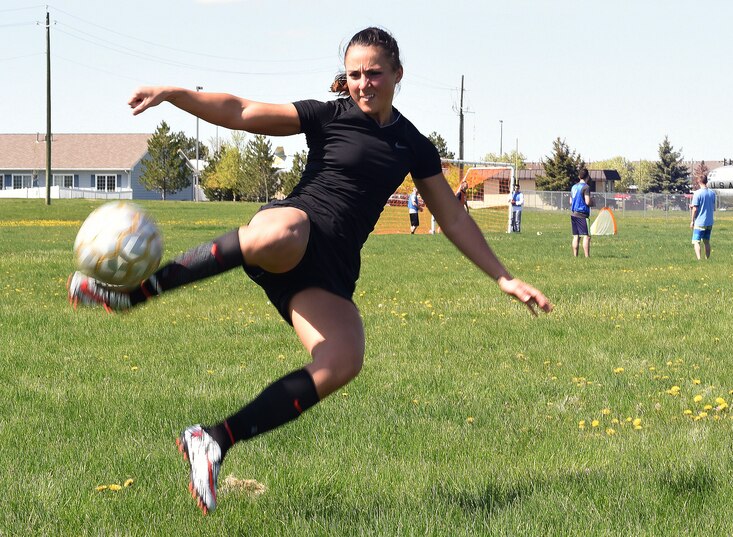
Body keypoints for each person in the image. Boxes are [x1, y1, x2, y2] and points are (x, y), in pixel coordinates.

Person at [67, 27, 552, 515]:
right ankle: (133, 293)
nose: (363, 83)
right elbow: (240, 112)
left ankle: (213, 440)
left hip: (332, 267)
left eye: (374, 73)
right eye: (355, 74)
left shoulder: (413, 145)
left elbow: (451, 217)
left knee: (344, 359)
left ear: (397, 75)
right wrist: (174, 95)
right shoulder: (328, 115)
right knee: (283, 232)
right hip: (293, 227)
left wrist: (503, 277)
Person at [689, 175, 716, 259]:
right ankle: (707, 259)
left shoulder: (697, 193)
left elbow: (695, 209)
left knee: (696, 241)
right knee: (706, 242)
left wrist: (692, 220)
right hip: (709, 221)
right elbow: (711, 206)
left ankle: (699, 259)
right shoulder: (712, 193)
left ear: (699, 182)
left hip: (700, 222)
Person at [570, 169, 592, 257]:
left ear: (579, 176)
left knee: (576, 236)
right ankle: (587, 257)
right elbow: (587, 202)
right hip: (582, 214)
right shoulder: (586, 187)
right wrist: (592, 202)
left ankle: (575, 256)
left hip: (573, 213)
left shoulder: (574, 187)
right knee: (586, 236)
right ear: (587, 176)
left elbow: (571, 201)